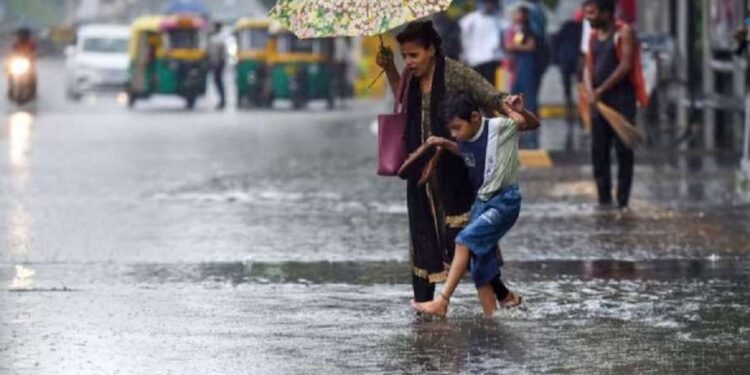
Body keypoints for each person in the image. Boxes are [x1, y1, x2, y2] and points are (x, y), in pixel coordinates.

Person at [375, 21, 533, 309]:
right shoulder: (410, 76)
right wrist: (389, 69)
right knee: (422, 237)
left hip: (455, 169)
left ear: (431, 50)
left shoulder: (455, 73)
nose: (408, 62)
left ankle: (495, 300)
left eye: (414, 55)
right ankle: (424, 307)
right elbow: (404, 102)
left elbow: (489, 94)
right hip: (421, 171)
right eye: (404, 56)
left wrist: (510, 105)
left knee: (465, 238)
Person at [411, 90, 539, 317]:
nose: (454, 134)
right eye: (451, 129)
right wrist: (443, 143)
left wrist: (516, 111)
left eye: (457, 127)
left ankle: (442, 301)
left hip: (504, 201)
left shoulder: (499, 128)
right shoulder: (464, 138)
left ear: (474, 117)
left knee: (464, 241)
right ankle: (492, 316)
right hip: (482, 203)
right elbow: (465, 152)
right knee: (479, 262)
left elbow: (529, 123)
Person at [583, 0, 648, 209]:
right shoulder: (593, 36)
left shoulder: (624, 32)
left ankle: (622, 202)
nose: (588, 17)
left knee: (623, 152)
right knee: (599, 152)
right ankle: (604, 201)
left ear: (606, 13)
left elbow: (626, 65)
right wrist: (590, 91)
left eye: (592, 13)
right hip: (599, 104)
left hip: (621, 100)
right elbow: (589, 66)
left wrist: (601, 90)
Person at [504, 5, 539, 149]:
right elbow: (508, 46)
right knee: (514, 94)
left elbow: (530, 46)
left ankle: (529, 124)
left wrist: (514, 47)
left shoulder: (528, 30)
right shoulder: (514, 29)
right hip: (517, 67)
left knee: (528, 96)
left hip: (526, 66)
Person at [555, 9, 584, 146]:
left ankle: (570, 116)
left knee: (568, 91)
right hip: (576, 63)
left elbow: (556, 42)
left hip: (565, 62)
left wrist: (557, 59)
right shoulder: (583, 28)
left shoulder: (566, 26)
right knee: (580, 90)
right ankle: (580, 117)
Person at [459, 0, 504, 84]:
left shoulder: (498, 20)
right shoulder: (470, 19)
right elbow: (463, 37)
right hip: (474, 59)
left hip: (491, 58)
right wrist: (464, 54)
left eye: (491, 3)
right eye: (487, 3)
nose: (489, 5)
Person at [208, 21, 227, 109]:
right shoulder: (215, 37)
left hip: (218, 63)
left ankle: (222, 100)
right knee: (217, 82)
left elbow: (220, 54)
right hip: (216, 63)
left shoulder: (219, 38)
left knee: (218, 82)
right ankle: (222, 99)